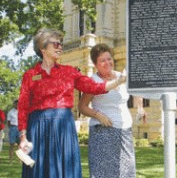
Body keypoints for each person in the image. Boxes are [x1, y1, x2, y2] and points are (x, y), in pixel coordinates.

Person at [18, 28, 126, 178]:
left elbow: (93, 87)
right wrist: (23, 137)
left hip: (63, 126)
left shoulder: (69, 71)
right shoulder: (30, 75)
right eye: (56, 44)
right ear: (43, 48)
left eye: (61, 44)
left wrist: (118, 81)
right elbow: (23, 107)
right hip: (38, 128)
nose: (60, 47)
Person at [78, 43, 136, 178]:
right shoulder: (93, 81)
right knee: (103, 173)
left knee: (126, 172)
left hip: (125, 131)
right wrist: (98, 115)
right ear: (95, 64)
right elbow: (82, 106)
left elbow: (133, 93)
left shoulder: (121, 76)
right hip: (103, 131)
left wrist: (139, 108)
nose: (107, 62)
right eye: (102, 60)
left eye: (109, 59)